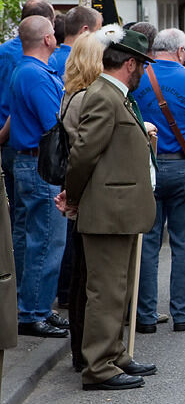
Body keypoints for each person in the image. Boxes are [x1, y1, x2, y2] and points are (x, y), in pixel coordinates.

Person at [62, 26, 158, 391]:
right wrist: (72, 196)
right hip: (108, 211)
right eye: (142, 65)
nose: (144, 73)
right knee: (105, 291)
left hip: (119, 210)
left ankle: (114, 354)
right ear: (129, 63)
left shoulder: (113, 95)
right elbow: (83, 153)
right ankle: (99, 366)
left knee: (118, 289)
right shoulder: (104, 95)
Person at [132, 28, 185, 333]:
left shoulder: (138, 76)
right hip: (182, 167)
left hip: (145, 165)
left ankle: (146, 316)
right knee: (184, 242)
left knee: (148, 243)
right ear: (179, 51)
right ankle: (183, 312)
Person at [55, 32, 108, 370]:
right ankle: (84, 351)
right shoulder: (86, 98)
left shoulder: (71, 95)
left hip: (81, 190)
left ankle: (81, 349)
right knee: (86, 277)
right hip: (89, 192)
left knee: (81, 275)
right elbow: (86, 152)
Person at [0, 0, 55, 254]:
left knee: (18, 225)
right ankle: (29, 293)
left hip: (12, 144)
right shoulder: (38, 67)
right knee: (42, 237)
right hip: (37, 153)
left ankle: (16, 288)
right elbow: (52, 123)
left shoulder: (7, 55)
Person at [51, 6, 102, 78]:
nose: (100, 37)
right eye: (98, 30)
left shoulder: (50, 57)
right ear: (85, 30)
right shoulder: (80, 63)